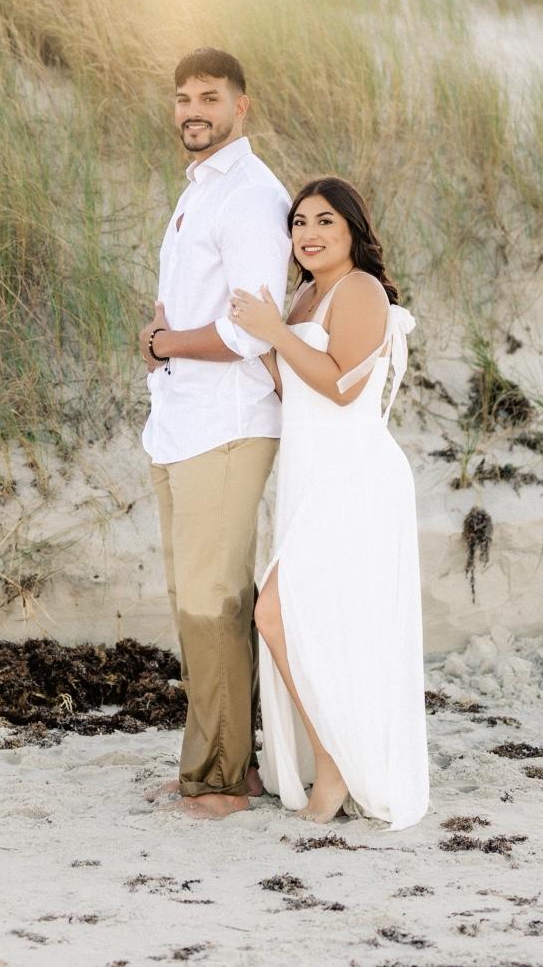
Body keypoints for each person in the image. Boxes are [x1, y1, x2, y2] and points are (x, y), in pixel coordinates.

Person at [228, 176, 429, 830]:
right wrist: (259, 342)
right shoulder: (304, 296)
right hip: (310, 476)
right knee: (311, 619)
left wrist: (276, 333)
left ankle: (335, 765)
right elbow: (298, 391)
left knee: (276, 612)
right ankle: (334, 758)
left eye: (324, 222)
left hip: (354, 474)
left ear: (352, 231)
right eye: (299, 223)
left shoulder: (360, 290)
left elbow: (344, 386)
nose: (309, 235)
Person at [137, 47, 292, 819]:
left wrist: (165, 342)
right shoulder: (200, 189)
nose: (193, 110)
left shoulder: (252, 196)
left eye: (209, 96)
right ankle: (222, 765)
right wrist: (161, 341)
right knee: (195, 599)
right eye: (183, 97)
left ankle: (224, 782)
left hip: (227, 425)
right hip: (181, 419)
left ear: (241, 106)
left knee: (213, 602)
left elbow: (248, 328)